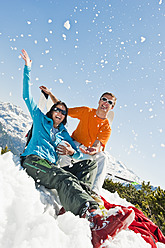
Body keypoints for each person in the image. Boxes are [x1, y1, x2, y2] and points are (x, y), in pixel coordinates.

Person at [20, 49, 134, 248]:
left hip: (56, 161)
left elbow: (86, 149)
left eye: (63, 113)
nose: (60, 113)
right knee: (62, 177)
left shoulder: (65, 133)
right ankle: (93, 219)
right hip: (34, 160)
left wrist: (76, 152)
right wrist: (28, 68)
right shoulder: (40, 119)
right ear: (52, 111)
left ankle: (79, 198)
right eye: (57, 110)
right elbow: (26, 95)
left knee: (91, 164)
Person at [39, 86, 117, 193]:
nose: (106, 103)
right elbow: (64, 110)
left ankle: (94, 192)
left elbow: (98, 144)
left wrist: (93, 149)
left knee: (103, 157)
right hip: (74, 144)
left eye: (110, 102)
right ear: (99, 101)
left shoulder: (106, 127)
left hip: (88, 152)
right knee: (64, 146)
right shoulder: (86, 111)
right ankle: (62, 178)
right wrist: (51, 94)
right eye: (104, 99)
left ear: (111, 107)